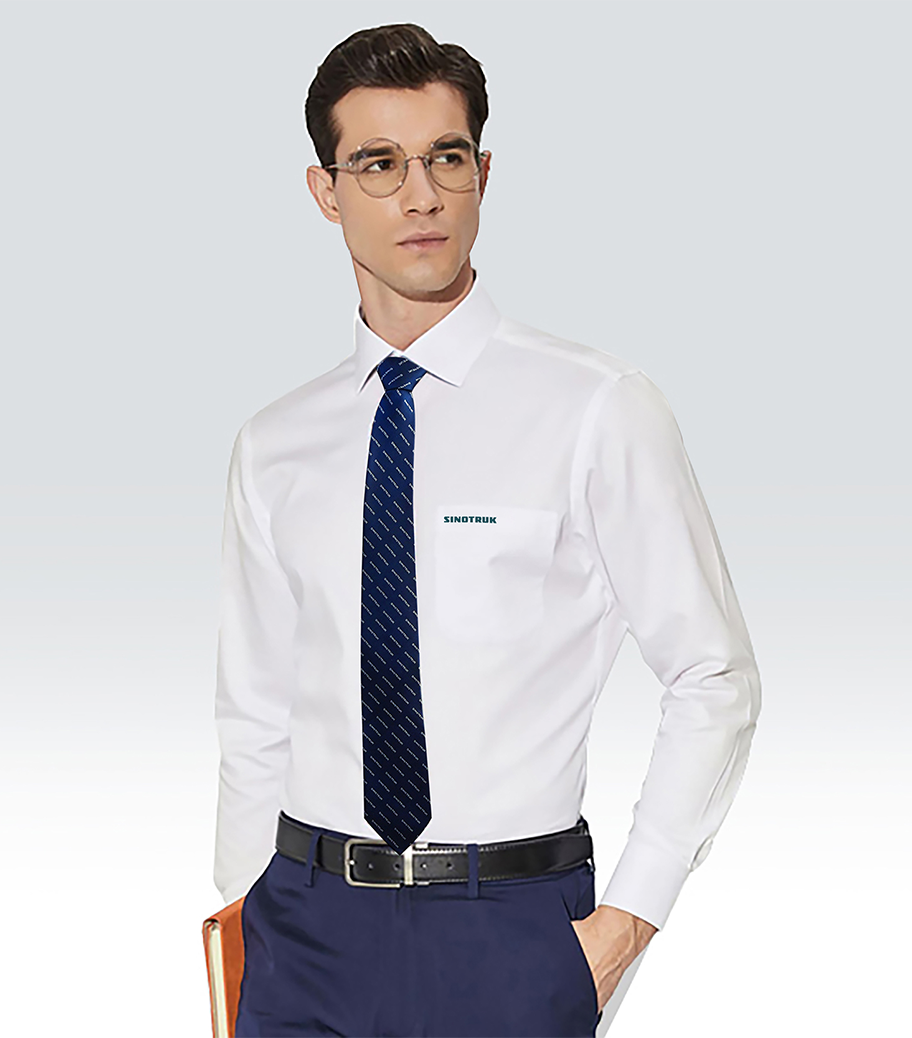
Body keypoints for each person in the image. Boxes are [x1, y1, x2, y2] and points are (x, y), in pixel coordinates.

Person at [212, 22, 761, 1038]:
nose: (420, 195)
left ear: (483, 173)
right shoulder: (276, 443)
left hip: (507, 925)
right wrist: (244, 914)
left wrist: (626, 922)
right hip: (303, 930)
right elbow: (255, 708)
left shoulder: (597, 408)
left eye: (446, 157)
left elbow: (713, 674)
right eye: (379, 164)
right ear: (326, 191)